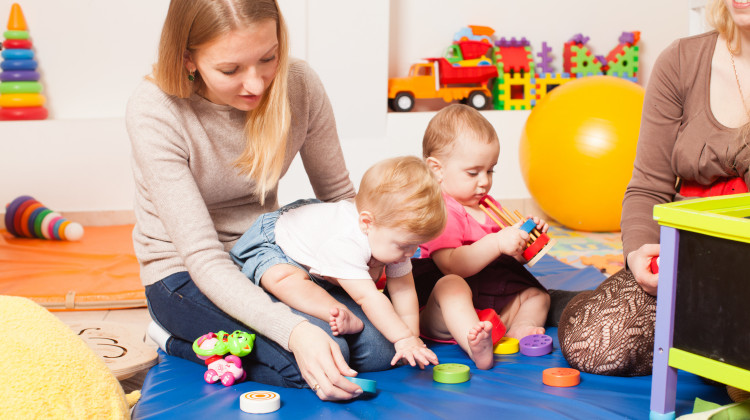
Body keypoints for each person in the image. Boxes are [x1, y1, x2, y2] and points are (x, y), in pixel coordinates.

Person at [125, 0, 394, 400]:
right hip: (183, 272)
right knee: (322, 357)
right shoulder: (155, 110)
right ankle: (172, 338)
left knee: (380, 347)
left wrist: (369, 259)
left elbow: (339, 197)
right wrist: (294, 331)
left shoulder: (299, 84)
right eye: (230, 70)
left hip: (266, 254)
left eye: (268, 58)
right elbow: (203, 257)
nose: (256, 84)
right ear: (187, 58)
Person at [558, 0, 750, 377]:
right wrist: (638, 257)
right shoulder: (680, 61)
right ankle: (565, 303)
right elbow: (647, 187)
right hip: (689, 258)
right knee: (596, 343)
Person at [230, 156, 442, 369]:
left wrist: (412, 338)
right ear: (367, 223)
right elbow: (368, 297)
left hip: (321, 261)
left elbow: (404, 290)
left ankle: (338, 305)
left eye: (416, 245)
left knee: (384, 349)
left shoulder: (396, 242)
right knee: (282, 278)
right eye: (404, 245)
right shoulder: (346, 242)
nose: (410, 253)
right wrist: (402, 337)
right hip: (278, 246)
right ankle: (334, 309)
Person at [412, 104, 551, 342]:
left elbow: (510, 257)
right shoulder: (441, 210)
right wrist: (497, 242)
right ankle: (473, 337)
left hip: (490, 293)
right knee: (451, 290)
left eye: (490, 171)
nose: (485, 181)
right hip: (446, 303)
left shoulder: (488, 205)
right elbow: (452, 266)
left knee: (538, 296)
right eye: (473, 173)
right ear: (437, 170)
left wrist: (524, 242)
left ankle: (521, 327)